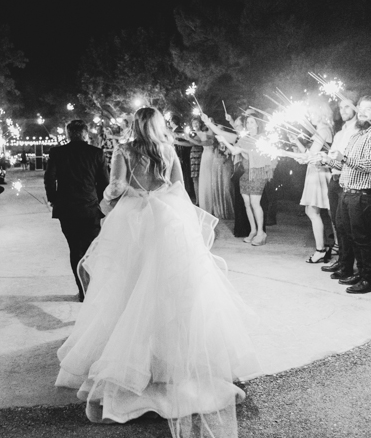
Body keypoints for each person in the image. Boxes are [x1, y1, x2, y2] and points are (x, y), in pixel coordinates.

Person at [55, 107, 260, 435]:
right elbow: (180, 189)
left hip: (134, 221)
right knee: (172, 289)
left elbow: (116, 187)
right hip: (166, 221)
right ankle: (173, 363)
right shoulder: (168, 150)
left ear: (135, 125)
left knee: (130, 286)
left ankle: (135, 364)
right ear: (159, 125)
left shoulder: (124, 150)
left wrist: (112, 197)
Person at [317, 96, 371, 294]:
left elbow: (369, 165)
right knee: (349, 235)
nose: (363, 111)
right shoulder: (358, 135)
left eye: (369, 108)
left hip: (363, 195)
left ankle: (369, 280)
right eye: (361, 108)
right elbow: (343, 164)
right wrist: (327, 161)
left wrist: (344, 158)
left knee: (362, 238)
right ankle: (359, 272)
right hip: (348, 192)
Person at [44, 119, 109, 302]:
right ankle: (92, 288)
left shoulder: (57, 153)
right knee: (91, 249)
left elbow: (50, 179)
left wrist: (53, 199)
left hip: (66, 207)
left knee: (75, 249)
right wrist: (97, 199)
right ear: (86, 133)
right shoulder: (96, 153)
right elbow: (104, 182)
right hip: (89, 206)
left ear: (68, 134)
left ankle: (83, 290)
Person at [211, 113, 274, 245]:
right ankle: (253, 230)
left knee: (255, 203)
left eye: (252, 122)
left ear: (257, 124)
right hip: (246, 173)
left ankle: (261, 233)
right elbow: (234, 151)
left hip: (257, 172)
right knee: (247, 204)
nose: (249, 125)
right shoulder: (245, 139)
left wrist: (242, 149)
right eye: (248, 123)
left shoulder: (262, 138)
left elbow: (259, 155)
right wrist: (223, 141)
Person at [292, 100, 334, 263]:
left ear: (322, 113)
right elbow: (309, 153)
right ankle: (335, 246)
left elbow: (311, 156)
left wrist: (292, 155)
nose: (311, 116)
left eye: (313, 112)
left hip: (318, 173)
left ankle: (321, 250)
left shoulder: (322, 130)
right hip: (316, 171)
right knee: (328, 212)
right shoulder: (322, 130)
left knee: (313, 211)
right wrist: (297, 143)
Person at [321, 98, 359, 275]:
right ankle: (343, 261)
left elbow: (349, 161)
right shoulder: (339, 133)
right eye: (341, 107)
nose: (343, 110)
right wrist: (322, 160)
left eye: (347, 107)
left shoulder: (359, 131)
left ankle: (348, 266)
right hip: (334, 180)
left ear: (356, 108)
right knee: (338, 225)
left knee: (347, 226)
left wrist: (335, 160)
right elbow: (334, 161)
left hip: (347, 181)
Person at [184, 118, 215, 212]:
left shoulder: (204, 133)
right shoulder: (194, 133)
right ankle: (199, 200)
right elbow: (190, 143)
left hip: (202, 155)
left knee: (202, 178)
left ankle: (202, 201)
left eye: (197, 123)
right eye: (194, 123)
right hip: (196, 155)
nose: (195, 124)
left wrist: (187, 138)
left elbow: (199, 142)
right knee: (195, 179)